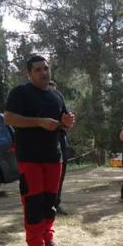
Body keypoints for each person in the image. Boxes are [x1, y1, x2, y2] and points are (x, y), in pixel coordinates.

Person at [4, 55, 75, 246]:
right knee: (33, 201)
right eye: (38, 69)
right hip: (29, 156)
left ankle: (48, 238)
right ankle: (36, 244)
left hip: (54, 155)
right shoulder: (20, 93)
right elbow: (8, 118)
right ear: (29, 73)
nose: (44, 72)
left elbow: (63, 122)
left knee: (50, 201)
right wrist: (39, 122)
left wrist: (68, 122)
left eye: (45, 68)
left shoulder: (56, 95)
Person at [48, 80, 70, 215]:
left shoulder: (60, 102)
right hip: (42, 144)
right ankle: (45, 205)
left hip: (60, 141)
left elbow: (67, 122)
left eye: (54, 90)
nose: (53, 93)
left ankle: (56, 204)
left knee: (59, 176)